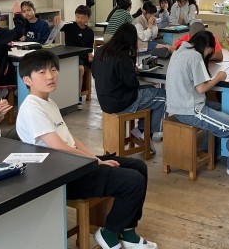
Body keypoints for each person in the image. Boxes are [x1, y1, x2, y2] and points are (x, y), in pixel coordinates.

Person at [16, 50, 157, 249]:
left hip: (72, 164)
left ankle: (127, 231)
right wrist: (95, 162)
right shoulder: (32, 108)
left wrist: (94, 158)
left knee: (138, 167)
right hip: (59, 175)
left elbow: (70, 139)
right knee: (132, 181)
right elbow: (57, 146)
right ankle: (108, 233)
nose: (50, 76)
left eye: (53, 70)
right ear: (27, 80)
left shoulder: (48, 102)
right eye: (42, 72)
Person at [166, 30, 229, 182]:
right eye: (210, 50)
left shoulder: (179, 51)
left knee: (220, 108)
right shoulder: (195, 56)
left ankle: (211, 151)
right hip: (191, 110)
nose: (209, 54)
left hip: (178, 105)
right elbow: (201, 89)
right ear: (206, 45)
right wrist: (219, 77)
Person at [92, 23, 166, 154]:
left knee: (150, 89)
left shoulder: (100, 51)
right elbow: (132, 83)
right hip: (121, 102)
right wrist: (131, 70)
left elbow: (94, 74)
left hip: (104, 100)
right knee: (163, 95)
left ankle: (140, 130)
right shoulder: (122, 56)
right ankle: (145, 134)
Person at [55, 5, 95, 107]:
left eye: (83, 17)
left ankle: (79, 94)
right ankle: (73, 95)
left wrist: (90, 55)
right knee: (78, 68)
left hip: (82, 56)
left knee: (85, 68)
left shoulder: (90, 32)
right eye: (77, 17)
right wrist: (58, 20)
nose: (80, 20)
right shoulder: (70, 27)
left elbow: (90, 49)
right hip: (70, 55)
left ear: (88, 18)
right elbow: (59, 26)